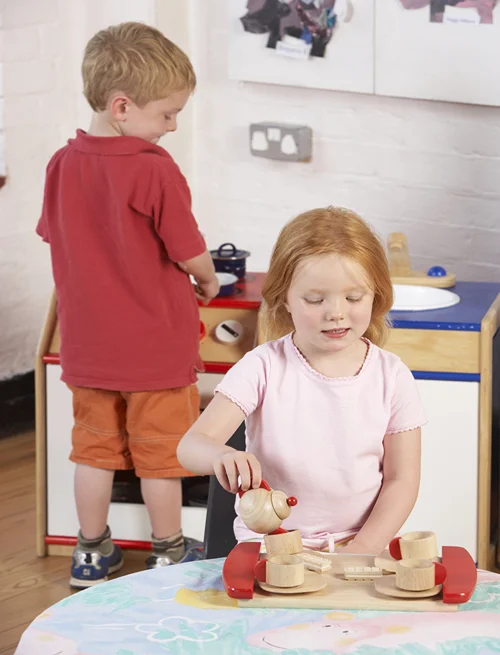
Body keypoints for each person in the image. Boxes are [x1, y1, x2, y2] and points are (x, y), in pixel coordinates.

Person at [36, 22, 219, 588]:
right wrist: (209, 282)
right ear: (122, 107)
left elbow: (58, 237)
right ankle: (168, 551)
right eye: (166, 114)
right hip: (154, 354)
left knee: (93, 452)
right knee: (163, 455)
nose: (172, 125)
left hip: (87, 349)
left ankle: (90, 553)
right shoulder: (153, 169)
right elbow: (189, 251)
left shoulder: (62, 165)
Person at [177, 207, 426, 554]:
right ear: (285, 300)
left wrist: (362, 549)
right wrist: (219, 455)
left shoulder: (391, 375)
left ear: (377, 295)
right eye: (315, 299)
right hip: (270, 547)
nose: (335, 311)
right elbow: (191, 446)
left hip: (360, 546)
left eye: (353, 297)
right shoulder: (263, 366)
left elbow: (402, 480)